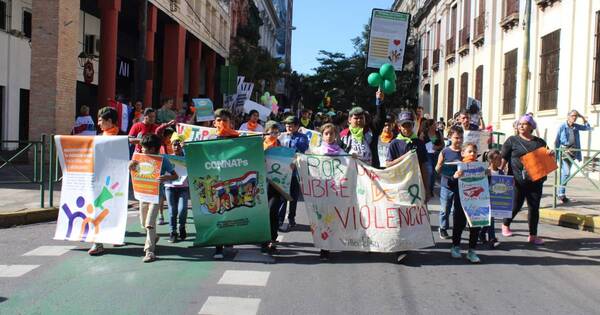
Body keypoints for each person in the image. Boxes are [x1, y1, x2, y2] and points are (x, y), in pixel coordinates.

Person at [501, 115, 553, 245]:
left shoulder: (539, 142)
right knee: (516, 205)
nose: (521, 126)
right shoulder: (512, 140)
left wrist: (551, 154)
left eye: (524, 124)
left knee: (534, 208)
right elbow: (504, 158)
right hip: (518, 181)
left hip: (536, 179)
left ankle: (533, 235)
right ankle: (505, 224)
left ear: (531, 126)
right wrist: (499, 172)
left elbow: (546, 158)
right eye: (519, 124)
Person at [385, 111, 429, 263]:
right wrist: (405, 157)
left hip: (414, 186)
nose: (407, 128)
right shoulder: (394, 144)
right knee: (398, 216)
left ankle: (408, 243)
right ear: (399, 126)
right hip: (398, 185)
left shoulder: (419, 144)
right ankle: (399, 248)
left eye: (409, 125)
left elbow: (424, 166)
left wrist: (426, 187)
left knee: (410, 215)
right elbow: (388, 164)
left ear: (413, 125)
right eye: (404, 125)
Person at [129, 134, 178, 262]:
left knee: (150, 223)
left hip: (156, 196)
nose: (142, 149)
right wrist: (131, 165)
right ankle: (154, 237)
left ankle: (149, 251)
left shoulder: (163, 160)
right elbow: (134, 172)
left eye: (144, 147)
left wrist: (166, 177)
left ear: (152, 149)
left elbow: (175, 176)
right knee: (143, 223)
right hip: (142, 195)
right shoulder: (139, 158)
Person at [87, 107, 120, 256]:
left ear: (110, 121)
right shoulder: (99, 137)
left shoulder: (122, 138)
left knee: (114, 209)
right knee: (96, 209)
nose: (98, 123)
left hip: (115, 182)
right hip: (98, 180)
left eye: (101, 120)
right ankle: (97, 242)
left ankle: (115, 234)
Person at [212, 108, 240, 259]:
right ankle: (218, 248)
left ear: (231, 123)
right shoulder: (209, 140)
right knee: (219, 212)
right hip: (218, 182)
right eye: (219, 120)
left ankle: (229, 240)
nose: (222, 123)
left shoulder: (236, 139)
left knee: (232, 210)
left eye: (225, 120)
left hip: (234, 181)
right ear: (214, 123)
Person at [451, 143, 482, 263]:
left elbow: (485, 184)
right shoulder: (458, 166)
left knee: (475, 226)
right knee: (459, 225)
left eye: (474, 151)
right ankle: (455, 246)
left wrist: (488, 176)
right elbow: (450, 184)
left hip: (476, 202)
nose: (472, 154)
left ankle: (472, 251)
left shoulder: (481, 167)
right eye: (469, 151)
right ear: (462, 153)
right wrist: (454, 177)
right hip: (461, 201)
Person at [554, 110, 593, 203]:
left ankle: (560, 192)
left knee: (565, 173)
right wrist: (556, 154)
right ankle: (561, 194)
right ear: (568, 116)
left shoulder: (576, 126)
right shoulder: (562, 127)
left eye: (576, 116)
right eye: (572, 116)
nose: (574, 117)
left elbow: (588, 128)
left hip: (573, 153)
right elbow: (556, 141)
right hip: (564, 152)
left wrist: (583, 117)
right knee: (566, 173)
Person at [279, 116, 309, 230]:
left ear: (297, 126)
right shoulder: (281, 136)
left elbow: (302, 148)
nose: (288, 127)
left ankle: (292, 218)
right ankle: (280, 219)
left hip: (295, 171)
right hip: (282, 170)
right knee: (282, 196)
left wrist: (292, 138)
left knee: (293, 196)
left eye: (291, 125)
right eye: (286, 125)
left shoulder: (302, 137)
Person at [435, 125, 463, 240]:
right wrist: (440, 167)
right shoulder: (445, 152)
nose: (459, 140)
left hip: (460, 186)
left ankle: (457, 228)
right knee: (445, 208)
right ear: (450, 137)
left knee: (457, 209)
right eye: (456, 138)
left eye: (461, 138)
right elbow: (437, 169)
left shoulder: (465, 151)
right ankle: (443, 227)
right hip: (447, 185)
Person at [262, 121, 283, 255]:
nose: (274, 134)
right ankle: (264, 241)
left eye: (276, 132)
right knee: (264, 215)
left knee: (272, 212)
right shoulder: (259, 145)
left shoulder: (279, 145)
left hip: (276, 185)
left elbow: (284, 162)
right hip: (261, 184)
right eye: (271, 131)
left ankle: (272, 239)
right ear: (266, 131)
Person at [165, 133, 189, 243]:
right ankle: (173, 232)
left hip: (183, 187)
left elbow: (194, 161)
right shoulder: (166, 158)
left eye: (179, 144)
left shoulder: (186, 157)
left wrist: (186, 149)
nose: (176, 147)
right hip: (170, 187)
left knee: (182, 209)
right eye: (174, 144)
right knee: (172, 210)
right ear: (171, 145)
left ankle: (182, 227)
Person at [481, 149, 502, 249]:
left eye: (501, 159)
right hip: (486, 199)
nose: (501, 161)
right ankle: (492, 239)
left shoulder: (501, 172)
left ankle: (481, 233)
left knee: (489, 219)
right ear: (492, 161)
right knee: (490, 219)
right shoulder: (486, 171)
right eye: (498, 159)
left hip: (496, 200)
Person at [419, 119, 444, 196]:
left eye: (436, 124)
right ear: (429, 126)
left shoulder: (438, 133)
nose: (436, 125)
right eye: (434, 124)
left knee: (435, 173)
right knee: (429, 172)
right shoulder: (424, 134)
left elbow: (442, 144)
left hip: (436, 154)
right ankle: (427, 190)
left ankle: (431, 190)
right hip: (427, 155)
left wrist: (437, 147)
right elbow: (419, 144)